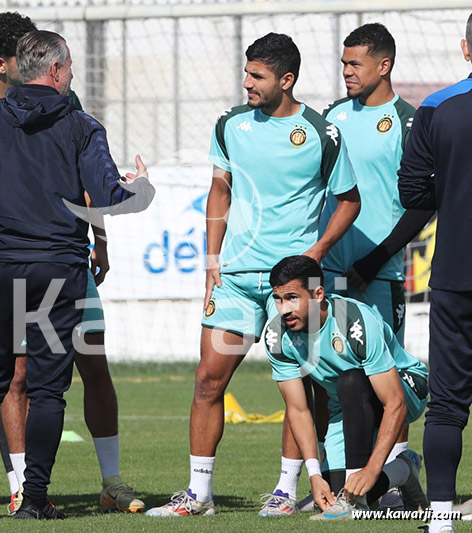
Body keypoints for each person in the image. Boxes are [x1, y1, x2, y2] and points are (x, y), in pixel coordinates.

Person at [146, 32, 360, 517]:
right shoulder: (230, 125)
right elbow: (218, 191)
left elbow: (349, 199)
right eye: (246, 73)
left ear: (286, 80)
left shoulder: (321, 133)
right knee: (207, 380)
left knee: (299, 388)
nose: (246, 83)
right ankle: (198, 494)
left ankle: (285, 491)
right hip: (236, 281)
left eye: (257, 76)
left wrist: (317, 251)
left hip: (289, 287)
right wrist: (211, 262)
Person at [0, 29, 155, 520]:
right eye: (71, 67)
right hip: (57, 270)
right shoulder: (81, 125)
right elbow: (108, 196)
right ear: (57, 70)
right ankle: (34, 499)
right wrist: (141, 185)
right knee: (47, 388)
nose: (72, 75)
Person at [266, 23, 435, 517]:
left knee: (381, 380)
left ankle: (393, 477)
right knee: (322, 383)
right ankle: (328, 482)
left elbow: (422, 204)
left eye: (355, 64)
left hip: (376, 273)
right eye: (342, 64)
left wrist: (376, 258)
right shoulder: (332, 118)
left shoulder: (409, 122)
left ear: (384, 65)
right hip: (327, 272)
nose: (346, 73)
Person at [266, 255, 429, 520]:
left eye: (292, 298)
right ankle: (404, 470)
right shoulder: (276, 336)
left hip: (407, 385)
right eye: (278, 299)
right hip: (347, 402)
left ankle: (356, 501)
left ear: (318, 293)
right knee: (332, 493)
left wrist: (373, 468)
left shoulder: (354, 320)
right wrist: (315, 475)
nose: (284, 309)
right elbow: (298, 410)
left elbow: (395, 403)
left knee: (350, 379)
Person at [398, 12, 472, 533]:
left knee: (447, 402)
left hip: (456, 274)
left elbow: (413, 192)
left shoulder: (436, 107)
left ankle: (441, 518)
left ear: (466, 49)